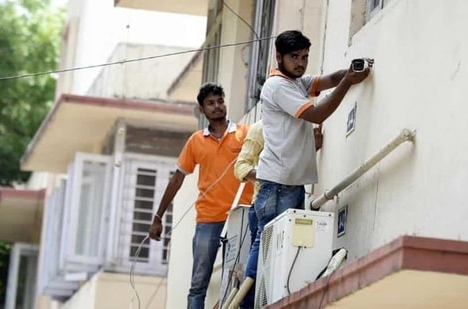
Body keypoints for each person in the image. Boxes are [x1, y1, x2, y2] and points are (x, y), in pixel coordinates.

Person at [240, 29, 373, 307]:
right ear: (279, 57)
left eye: (305, 57)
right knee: (265, 252)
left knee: (282, 252)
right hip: (277, 184)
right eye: (294, 57)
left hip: (289, 183)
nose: (301, 63)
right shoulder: (279, 87)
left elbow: (327, 80)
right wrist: (348, 83)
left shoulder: (296, 81)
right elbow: (318, 113)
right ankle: (246, 303)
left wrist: (349, 72)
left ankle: (264, 302)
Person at [149, 83, 254, 309]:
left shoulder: (245, 134)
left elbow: (271, 158)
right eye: (210, 103)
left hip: (241, 216)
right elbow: (176, 179)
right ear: (202, 109)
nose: (217, 106)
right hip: (208, 219)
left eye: (220, 101)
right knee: (198, 284)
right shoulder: (196, 141)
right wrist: (158, 217)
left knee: (239, 276)